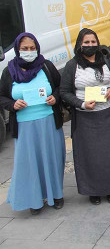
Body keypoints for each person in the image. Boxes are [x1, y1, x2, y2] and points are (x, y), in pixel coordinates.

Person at [60, 28, 110, 205]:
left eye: (93, 42)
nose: (90, 45)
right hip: (85, 117)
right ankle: (94, 191)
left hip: (108, 114)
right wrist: (81, 104)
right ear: (80, 45)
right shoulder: (72, 65)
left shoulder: (107, 61)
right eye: (86, 42)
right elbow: (64, 92)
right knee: (89, 155)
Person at [0, 33, 65, 215]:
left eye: (32, 48)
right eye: (25, 48)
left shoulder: (46, 66)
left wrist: (55, 98)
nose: (29, 52)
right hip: (24, 126)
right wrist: (12, 105)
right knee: (30, 163)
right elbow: (1, 96)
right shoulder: (9, 71)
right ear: (17, 50)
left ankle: (56, 195)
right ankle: (34, 200)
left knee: (52, 160)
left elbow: (61, 88)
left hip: (48, 123)